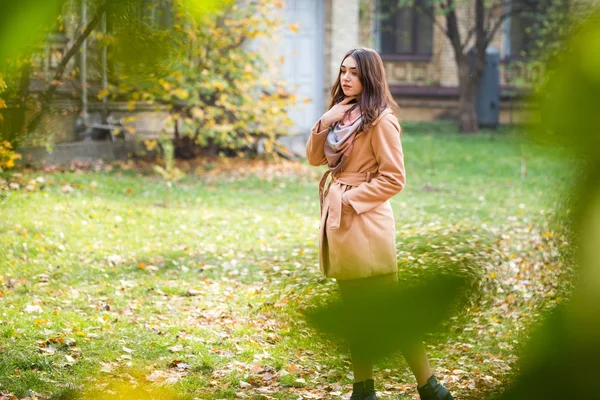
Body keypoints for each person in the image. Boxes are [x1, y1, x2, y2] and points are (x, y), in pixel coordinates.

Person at [305, 48, 454, 400]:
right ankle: (363, 390)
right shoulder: (340, 117)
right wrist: (325, 120)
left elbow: (394, 178)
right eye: (343, 71)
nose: (345, 78)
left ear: (369, 77)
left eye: (354, 73)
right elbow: (314, 159)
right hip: (340, 223)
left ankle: (431, 388)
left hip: (367, 223)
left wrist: (351, 201)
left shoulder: (380, 120)